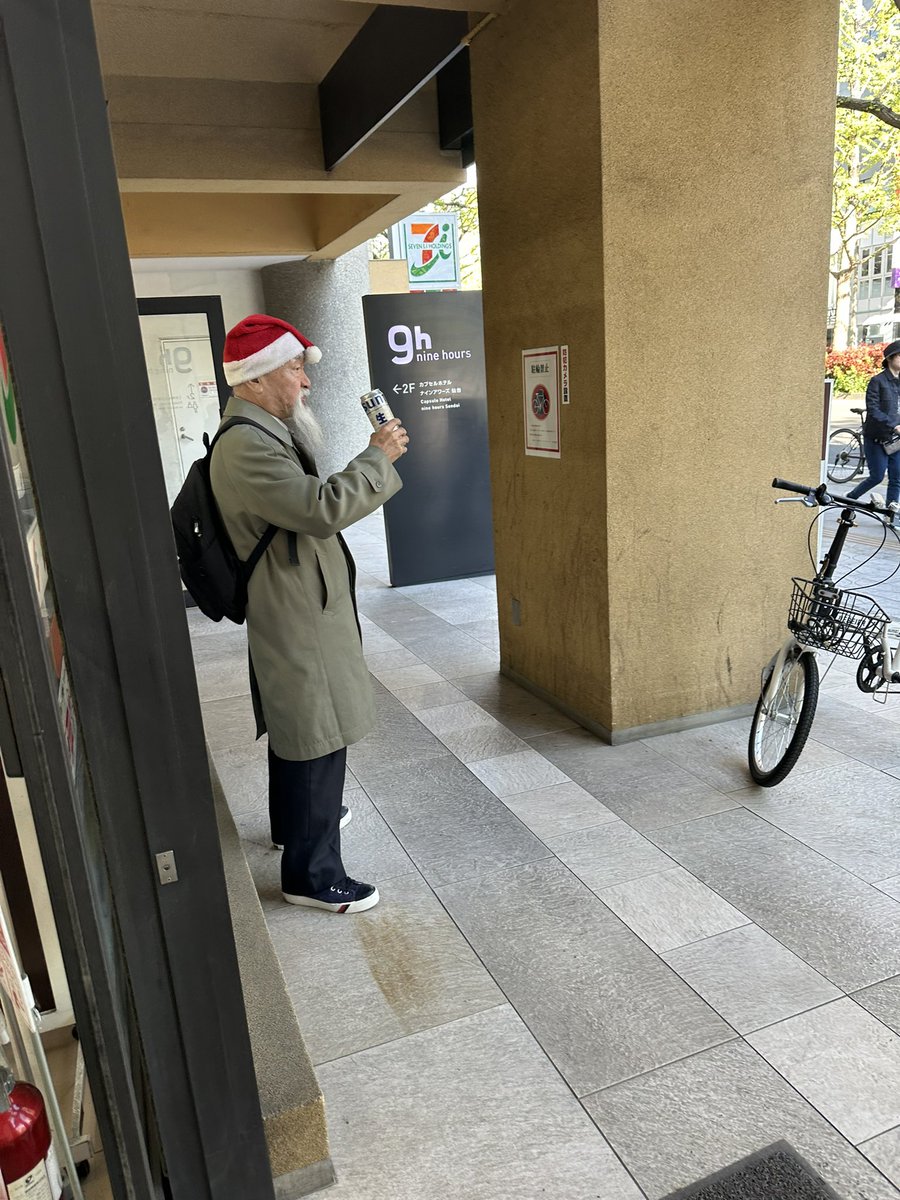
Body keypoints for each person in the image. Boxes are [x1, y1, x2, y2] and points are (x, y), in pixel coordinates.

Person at [210, 314, 408, 913]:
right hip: (294, 608)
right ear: (255, 379)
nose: (305, 381)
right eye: (294, 368)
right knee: (317, 729)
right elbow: (320, 509)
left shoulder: (260, 430)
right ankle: (312, 876)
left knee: (298, 722)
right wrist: (377, 458)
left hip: (294, 599)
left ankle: (293, 826)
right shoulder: (247, 443)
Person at [843, 339, 900, 512]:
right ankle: (850, 498)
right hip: (877, 437)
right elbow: (873, 410)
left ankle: (889, 514)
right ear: (889, 358)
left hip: (896, 439)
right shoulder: (877, 381)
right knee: (876, 476)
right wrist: (894, 425)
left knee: (896, 477)